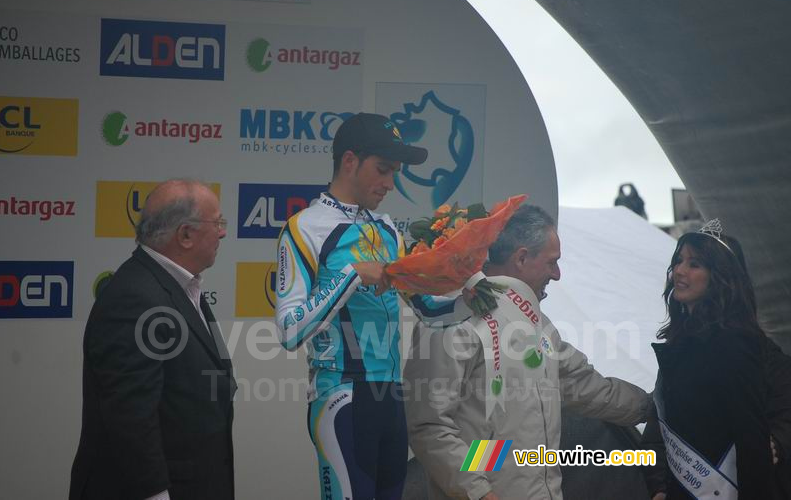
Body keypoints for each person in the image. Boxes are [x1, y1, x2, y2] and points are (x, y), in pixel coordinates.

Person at [274, 112, 473, 500]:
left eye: (395, 172)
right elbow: (289, 330)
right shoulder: (303, 227)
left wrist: (469, 288)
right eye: (383, 169)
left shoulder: (386, 229)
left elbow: (428, 309)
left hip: (391, 398)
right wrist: (351, 275)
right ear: (350, 161)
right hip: (341, 396)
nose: (390, 183)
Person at [404, 204, 650, 500]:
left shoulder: (538, 326)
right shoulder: (454, 318)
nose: (557, 275)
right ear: (521, 258)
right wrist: (479, 493)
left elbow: (589, 387)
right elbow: (429, 424)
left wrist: (658, 408)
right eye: (551, 262)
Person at [69, 179, 236, 500]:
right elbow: (131, 419)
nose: (223, 232)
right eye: (217, 223)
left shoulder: (180, 287)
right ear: (185, 235)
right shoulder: (134, 298)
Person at [643, 227, 787, 499]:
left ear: (719, 278)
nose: (680, 271)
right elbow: (663, 422)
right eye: (678, 261)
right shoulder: (680, 343)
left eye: (694, 264)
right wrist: (659, 485)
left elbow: (750, 440)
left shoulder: (735, 343)